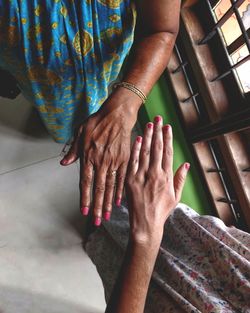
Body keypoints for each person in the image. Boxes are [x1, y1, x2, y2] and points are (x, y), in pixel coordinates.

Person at [0, 0, 181, 226]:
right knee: (58, 122)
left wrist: (125, 105)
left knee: (87, 107)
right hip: (37, 84)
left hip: (101, 73)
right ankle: (61, 129)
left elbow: (161, 30)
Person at [85, 116, 250, 313]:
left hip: (140, 280)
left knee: (103, 239)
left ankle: (93, 229)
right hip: (178, 226)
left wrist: (145, 236)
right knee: (116, 198)